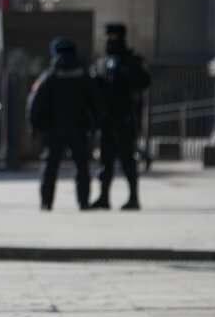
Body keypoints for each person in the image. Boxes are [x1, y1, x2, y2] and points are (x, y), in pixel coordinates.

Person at [27, 37, 102, 210]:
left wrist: (34, 126)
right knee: (81, 166)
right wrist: (94, 124)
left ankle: (46, 202)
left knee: (50, 167)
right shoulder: (84, 76)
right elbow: (97, 102)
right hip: (79, 128)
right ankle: (83, 202)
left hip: (53, 129)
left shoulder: (50, 76)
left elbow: (34, 103)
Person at [90, 22, 151, 210]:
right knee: (105, 162)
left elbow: (143, 83)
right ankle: (103, 197)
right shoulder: (101, 62)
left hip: (125, 118)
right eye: (106, 37)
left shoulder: (132, 60)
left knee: (127, 160)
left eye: (112, 37)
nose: (108, 40)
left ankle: (133, 197)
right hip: (105, 120)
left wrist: (125, 72)